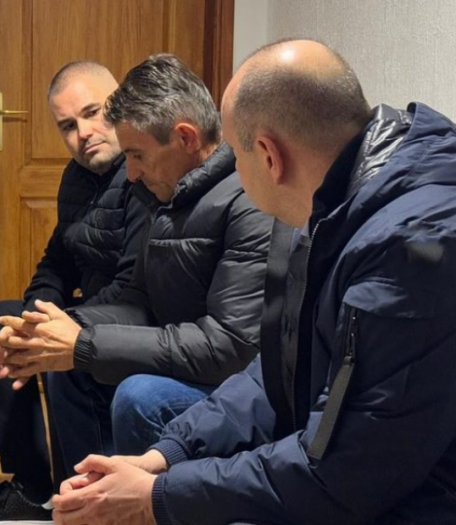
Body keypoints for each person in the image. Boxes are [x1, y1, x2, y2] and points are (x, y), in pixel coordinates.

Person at [52, 39, 456, 525]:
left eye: (234, 156)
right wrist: (167, 455)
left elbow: (344, 476)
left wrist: (159, 496)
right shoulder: (332, 205)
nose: (231, 171)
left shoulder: (410, 251)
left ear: (268, 156)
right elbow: (281, 367)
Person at [0, 54, 270, 472]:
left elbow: (229, 347)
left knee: (139, 394)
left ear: (186, 138)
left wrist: (85, 343)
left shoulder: (248, 203)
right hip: (186, 353)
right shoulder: (169, 197)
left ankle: (135, 498)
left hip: (240, 383)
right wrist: (59, 332)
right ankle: (74, 494)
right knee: (66, 358)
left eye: (137, 156)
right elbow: (137, 302)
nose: (132, 173)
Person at [0, 60, 150, 525]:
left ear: (120, 105)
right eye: (67, 126)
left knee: (62, 349)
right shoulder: (75, 179)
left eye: (93, 113)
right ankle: (34, 487)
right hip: (96, 310)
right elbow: (56, 262)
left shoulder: (144, 174)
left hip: (139, 317)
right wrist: (31, 318)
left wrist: (56, 329)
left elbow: (134, 288)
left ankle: (85, 499)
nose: (83, 133)